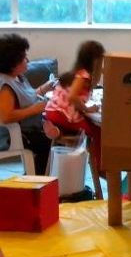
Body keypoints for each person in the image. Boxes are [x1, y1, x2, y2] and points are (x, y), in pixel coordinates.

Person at [44, 41, 105, 173]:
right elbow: (72, 96)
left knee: (83, 123)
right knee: (96, 129)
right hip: (64, 114)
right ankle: (100, 165)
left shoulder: (74, 74)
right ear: (95, 61)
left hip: (52, 112)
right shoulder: (83, 76)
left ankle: (59, 130)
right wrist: (86, 109)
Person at [0, 34, 56, 175]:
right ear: (13, 62)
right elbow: (6, 116)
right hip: (19, 134)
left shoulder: (18, 77)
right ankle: (38, 179)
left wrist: (44, 88)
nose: (28, 60)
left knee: (58, 130)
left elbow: (26, 97)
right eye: (24, 58)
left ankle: (41, 176)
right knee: (54, 141)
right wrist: (34, 109)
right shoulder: (5, 85)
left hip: (33, 126)